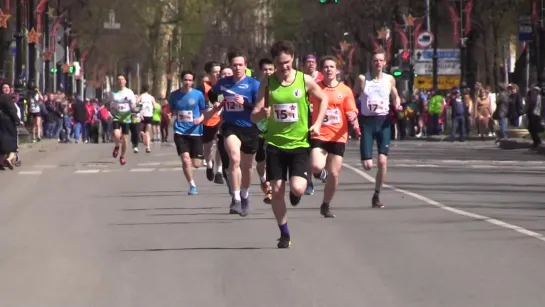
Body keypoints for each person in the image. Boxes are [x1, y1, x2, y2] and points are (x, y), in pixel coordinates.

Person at [251, 40, 328, 249]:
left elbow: (324, 99)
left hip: (299, 143)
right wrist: (261, 113)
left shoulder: (304, 80)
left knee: (298, 187)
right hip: (275, 143)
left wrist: (318, 123)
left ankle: (296, 193)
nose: (284, 67)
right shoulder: (268, 83)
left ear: (292, 59)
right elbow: (254, 116)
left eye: (287, 62)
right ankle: (284, 232)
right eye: (279, 63)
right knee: (276, 190)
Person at [208, 49, 261, 216]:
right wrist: (217, 104)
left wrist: (245, 103)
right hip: (230, 126)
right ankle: (236, 198)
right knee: (234, 158)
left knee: (247, 167)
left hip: (250, 128)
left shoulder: (254, 84)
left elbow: (260, 107)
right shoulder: (225, 82)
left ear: (245, 66)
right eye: (234, 65)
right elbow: (212, 93)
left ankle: (245, 195)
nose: (237, 67)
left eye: (240, 64)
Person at [309, 55, 358, 218]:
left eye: (332, 67)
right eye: (326, 67)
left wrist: (352, 116)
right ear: (321, 71)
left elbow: (351, 109)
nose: (329, 69)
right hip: (320, 134)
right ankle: (320, 174)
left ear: (337, 70)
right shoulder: (315, 88)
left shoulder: (345, 90)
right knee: (316, 166)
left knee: (335, 174)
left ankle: (326, 205)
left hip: (338, 136)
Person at [353, 48, 401, 208]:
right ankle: (367, 161)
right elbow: (352, 96)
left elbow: (395, 95)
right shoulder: (362, 79)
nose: (378, 63)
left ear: (385, 63)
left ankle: (377, 195)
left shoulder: (389, 79)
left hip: (383, 122)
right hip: (367, 122)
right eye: (375, 60)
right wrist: (351, 113)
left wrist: (398, 104)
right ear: (371, 62)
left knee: (382, 161)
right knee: (367, 165)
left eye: (381, 60)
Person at [169, 70, 207, 195]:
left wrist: (200, 119)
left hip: (195, 131)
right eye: (185, 80)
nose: (187, 82)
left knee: (196, 164)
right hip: (180, 131)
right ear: (182, 80)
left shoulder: (198, 95)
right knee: (185, 160)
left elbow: (204, 111)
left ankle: (193, 165)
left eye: (190, 80)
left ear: (193, 81)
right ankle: (192, 185)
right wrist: (170, 116)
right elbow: (172, 111)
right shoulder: (174, 95)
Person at [200, 61, 224, 184]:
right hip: (208, 121)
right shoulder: (204, 87)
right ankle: (209, 165)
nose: (218, 74)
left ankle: (219, 171)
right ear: (209, 74)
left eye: (219, 72)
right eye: (215, 72)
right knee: (207, 149)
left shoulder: (225, 86)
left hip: (222, 121)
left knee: (220, 145)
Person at [256, 58, 276, 203]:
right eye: (265, 69)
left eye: (270, 69)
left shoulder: (279, 86)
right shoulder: (256, 86)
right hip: (258, 128)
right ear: (260, 71)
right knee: (260, 161)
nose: (267, 72)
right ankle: (264, 181)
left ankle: (270, 189)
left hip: (275, 129)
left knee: (272, 159)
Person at [110, 74, 137, 165]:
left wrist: (133, 106)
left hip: (126, 118)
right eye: (119, 79)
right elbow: (111, 105)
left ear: (125, 81)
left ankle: (122, 156)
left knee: (125, 139)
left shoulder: (129, 92)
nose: (121, 81)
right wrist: (111, 109)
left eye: (122, 79)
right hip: (117, 116)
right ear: (117, 82)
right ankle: (117, 146)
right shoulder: (113, 93)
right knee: (116, 135)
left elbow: (133, 104)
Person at [0, 83, 20, 170]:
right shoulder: (6, 98)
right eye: (4, 88)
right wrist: (18, 121)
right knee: (12, 142)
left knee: (2, 141)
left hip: (2, 122)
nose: (6, 89)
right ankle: (9, 159)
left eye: (7, 87)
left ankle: (1, 161)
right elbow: (12, 111)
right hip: (8, 122)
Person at [139, 84, 156, 153]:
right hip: (149, 115)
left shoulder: (140, 96)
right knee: (148, 132)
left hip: (142, 116)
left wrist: (140, 113)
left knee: (140, 131)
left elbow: (136, 105)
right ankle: (148, 147)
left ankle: (143, 136)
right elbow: (155, 106)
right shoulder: (151, 97)